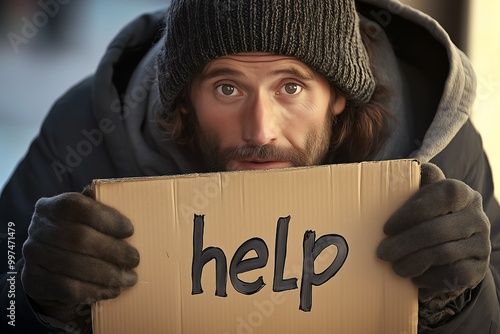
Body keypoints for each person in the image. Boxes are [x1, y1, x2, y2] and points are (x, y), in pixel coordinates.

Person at [1, 0, 498, 333]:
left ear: (339, 95)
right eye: (227, 88)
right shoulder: (80, 134)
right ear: (184, 101)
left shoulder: (439, 147)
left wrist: (456, 302)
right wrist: (39, 303)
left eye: (291, 87)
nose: (260, 131)